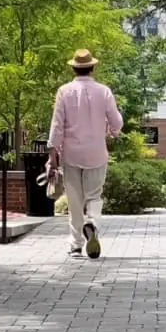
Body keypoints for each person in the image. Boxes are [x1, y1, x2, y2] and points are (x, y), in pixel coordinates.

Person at [47, 49, 121, 259]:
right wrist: (112, 130)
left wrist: (52, 156)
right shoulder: (104, 91)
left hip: (71, 154)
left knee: (74, 200)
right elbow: (116, 122)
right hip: (96, 153)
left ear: (73, 68)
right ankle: (92, 223)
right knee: (94, 196)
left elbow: (57, 125)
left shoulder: (64, 91)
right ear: (93, 67)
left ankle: (76, 244)